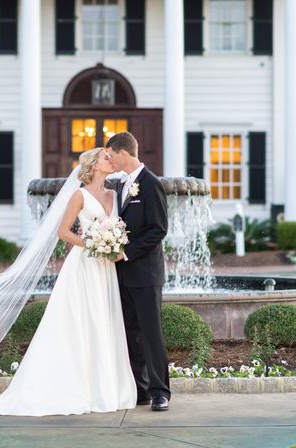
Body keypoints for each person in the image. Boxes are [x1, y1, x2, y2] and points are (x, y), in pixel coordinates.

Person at [0, 148, 137, 416]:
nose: (111, 160)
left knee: (105, 320)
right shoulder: (79, 195)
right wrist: (94, 243)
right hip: (85, 265)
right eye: (105, 157)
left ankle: (106, 388)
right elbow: (63, 232)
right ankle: (76, 388)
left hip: (106, 270)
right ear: (93, 165)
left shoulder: (114, 195)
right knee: (81, 321)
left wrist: (113, 245)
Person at [106, 132, 171, 411]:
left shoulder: (151, 184)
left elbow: (159, 230)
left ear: (123, 153)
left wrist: (127, 251)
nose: (109, 159)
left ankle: (160, 392)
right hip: (122, 274)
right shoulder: (121, 186)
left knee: (151, 332)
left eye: (110, 154)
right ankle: (141, 389)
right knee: (130, 332)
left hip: (145, 273)